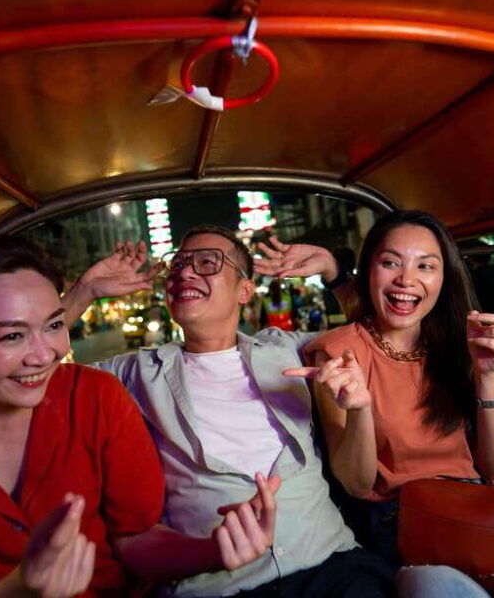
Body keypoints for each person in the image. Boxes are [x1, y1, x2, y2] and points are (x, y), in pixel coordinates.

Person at [0, 236, 279, 597]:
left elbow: (135, 540)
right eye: (12, 335)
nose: (44, 355)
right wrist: (17, 590)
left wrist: (213, 551)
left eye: (54, 325)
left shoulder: (96, 397)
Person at [259, 211, 494, 598]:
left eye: (426, 266)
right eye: (390, 262)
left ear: (443, 278)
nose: (407, 279)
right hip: (409, 523)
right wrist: (359, 409)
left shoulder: (459, 342)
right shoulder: (338, 354)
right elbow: (357, 483)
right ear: (369, 269)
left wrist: (487, 375)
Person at [63, 226, 393, 597]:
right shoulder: (134, 372)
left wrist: (334, 273)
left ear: (244, 291)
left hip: (330, 565)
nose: (185, 273)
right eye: (177, 266)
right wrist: (83, 292)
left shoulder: (288, 349)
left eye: (207, 262)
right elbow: (38, 367)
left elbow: (381, 334)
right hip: (219, 586)